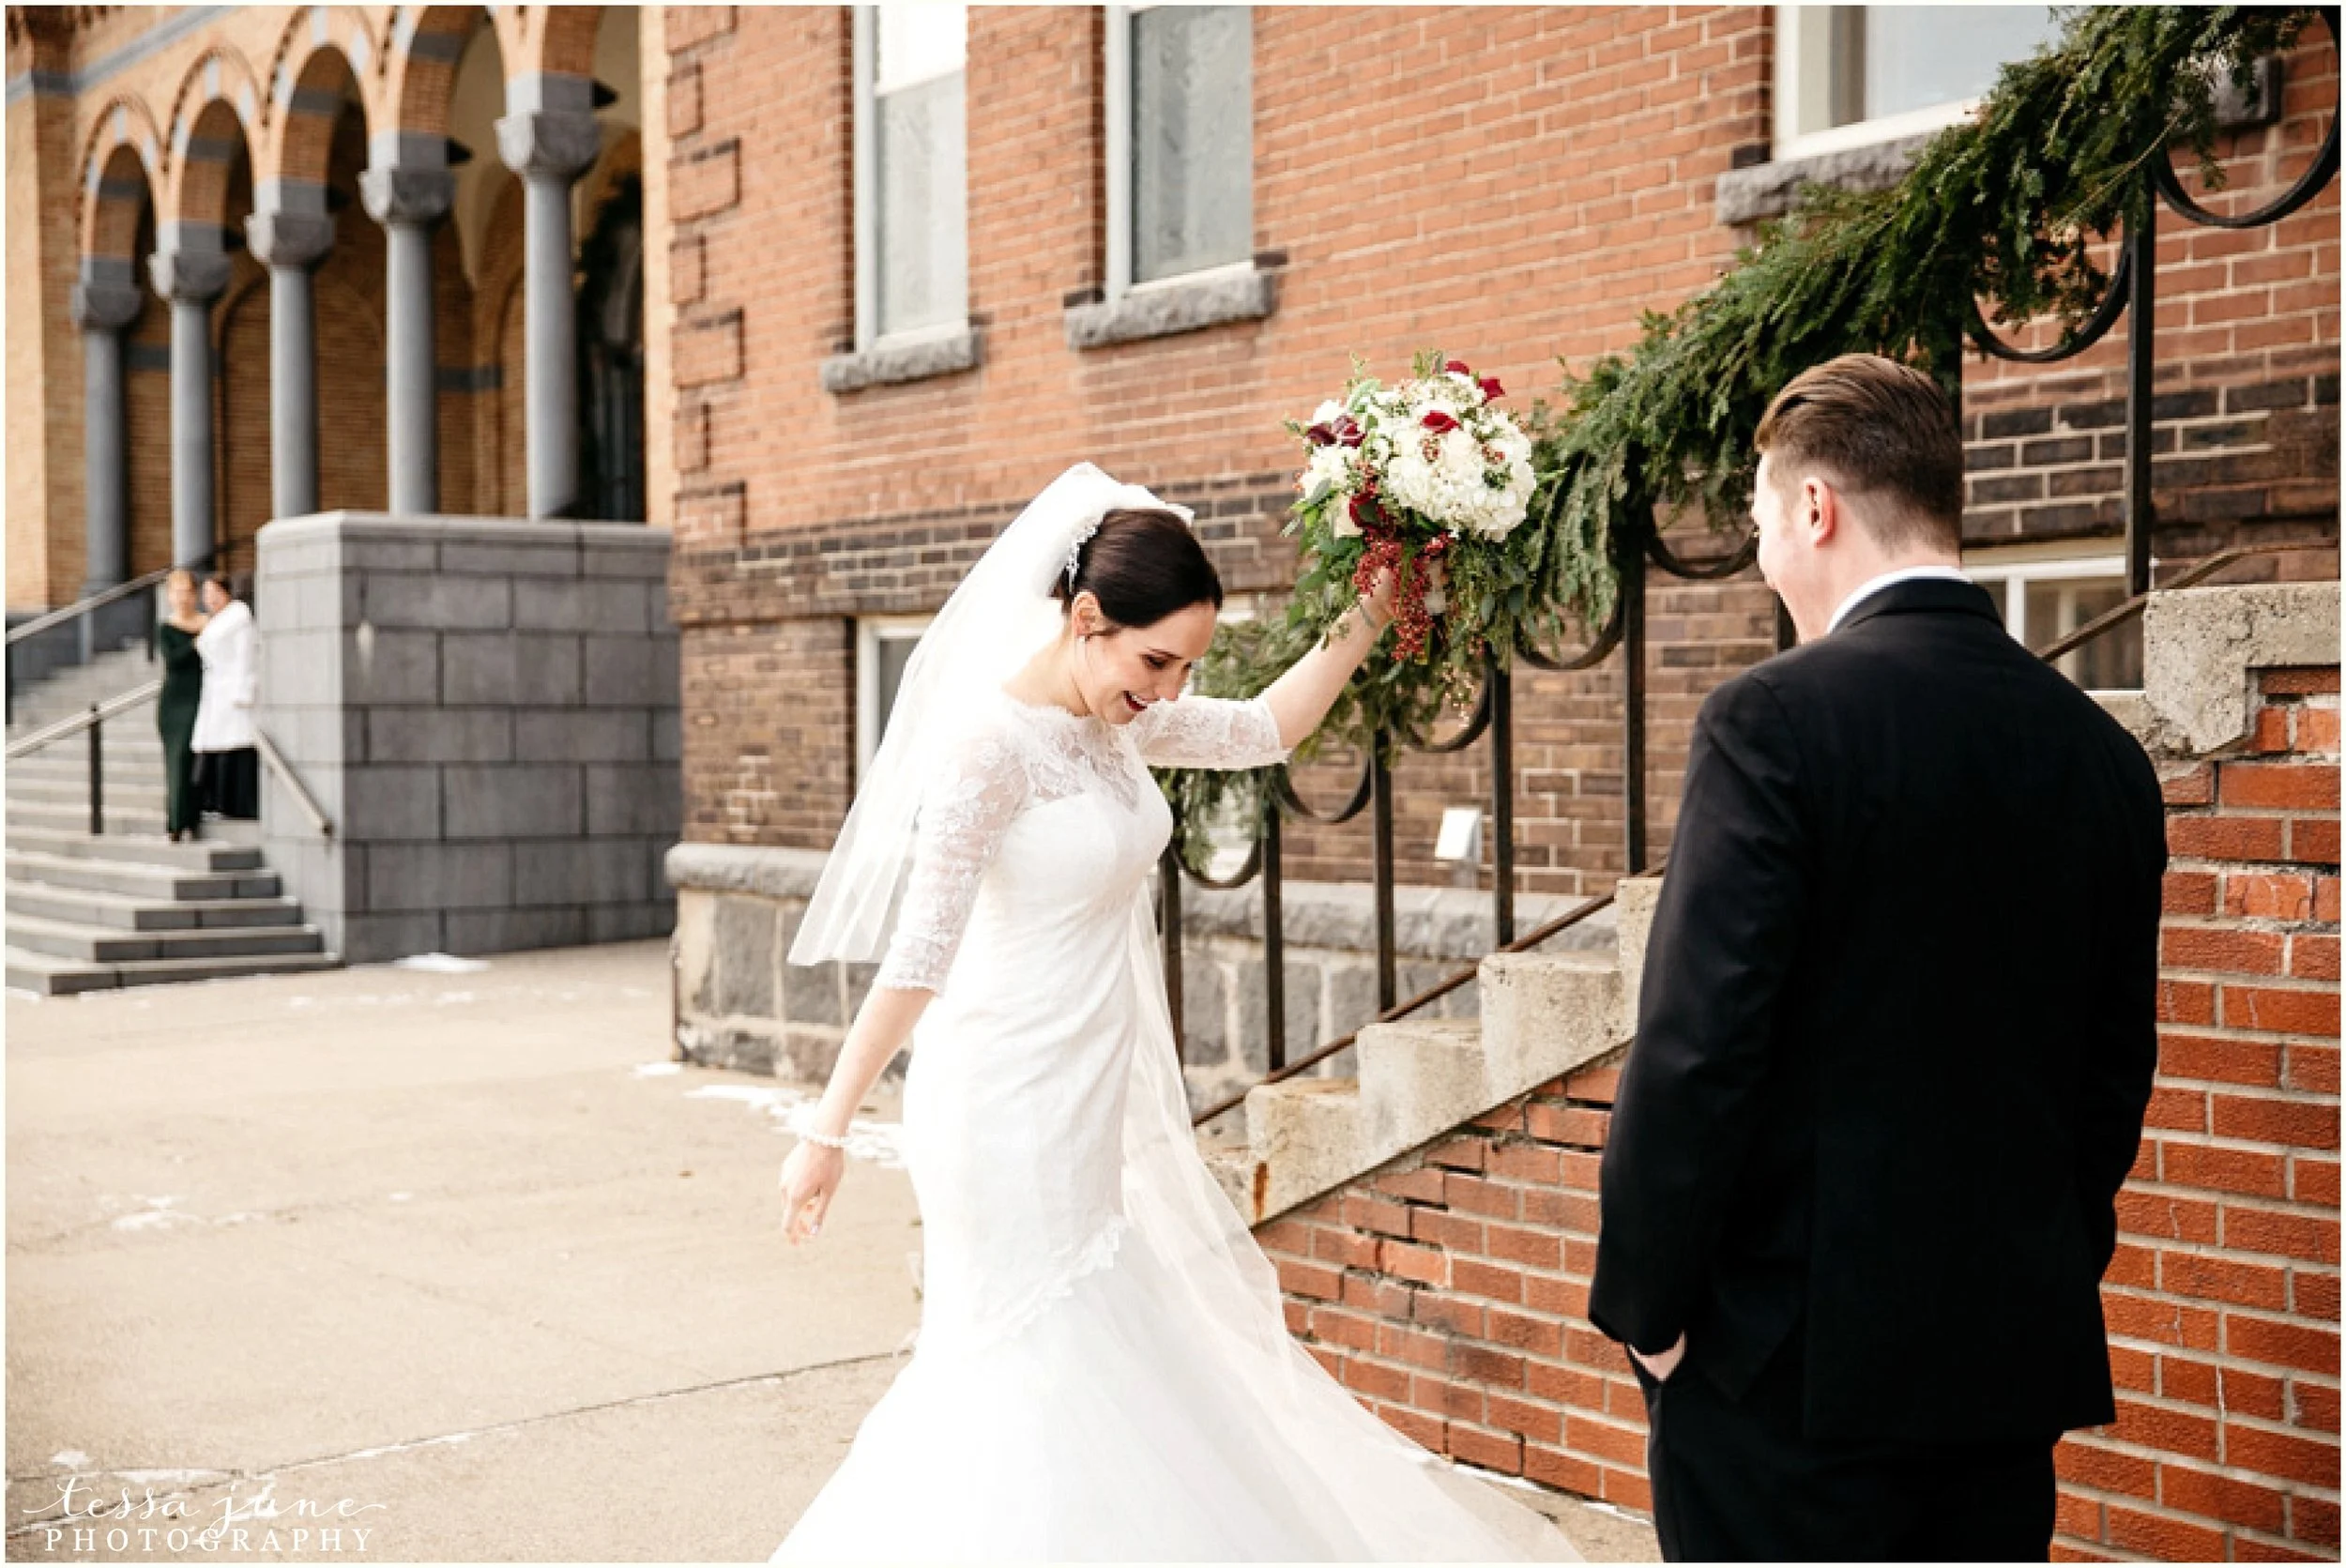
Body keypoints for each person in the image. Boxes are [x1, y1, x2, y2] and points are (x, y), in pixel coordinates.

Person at [771, 464, 1578, 1561]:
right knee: (1020, 1355)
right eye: (1155, 660)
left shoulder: (1116, 726)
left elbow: (1261, 729)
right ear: (1085, 620)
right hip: (999, 1100)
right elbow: (920, 957)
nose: (1167, 687)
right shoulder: (987, 750)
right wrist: (826, 1131)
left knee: (1087, 1340)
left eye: (1186, 665)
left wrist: (1368, 610)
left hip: (1080, 1093)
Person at [1588, 354, 2168, 1560]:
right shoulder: (2101, 754)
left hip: (1785, 1379)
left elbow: (1697, 1051)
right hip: (2004, 1369)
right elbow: (2112, 1076)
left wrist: (1652, 1318)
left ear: (1815, 509)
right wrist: (2029, 1268)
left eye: (1757, 517)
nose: (1760, 551)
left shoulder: (1773, 719)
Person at [190, 572, 260, 819]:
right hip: (215, 692)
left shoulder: (238, 619)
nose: (210, 599)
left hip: (232, 692)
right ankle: (216, 802)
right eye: (206, 594)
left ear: (226, 592)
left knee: (235, 746)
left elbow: (245, 656)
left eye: (215, 593)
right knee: (217, 747)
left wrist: (243, 691)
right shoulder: (215, 621)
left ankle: (237, 804)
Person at [155, 569, 207, 842]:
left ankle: (193, 814)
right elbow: (173, 660)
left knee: (195, 758)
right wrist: (197, 642)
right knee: (177, 759)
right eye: (177, 592)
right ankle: (176, 821)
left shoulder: (207, 622)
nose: (183, 598)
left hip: (203, 697)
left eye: (187, 592)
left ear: (195, 594)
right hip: (174, 703)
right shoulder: (167, 628)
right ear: (169, 596)